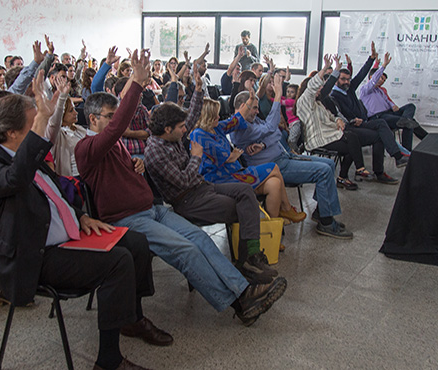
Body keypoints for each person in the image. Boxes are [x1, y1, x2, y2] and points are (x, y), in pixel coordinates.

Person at [76, 49, 287, 326]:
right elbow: (118, 129)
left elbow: (184, 122)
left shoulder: (116, 145)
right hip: (128, 219)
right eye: (110, 116)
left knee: (201, 240)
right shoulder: (87, 147)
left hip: (154, 209)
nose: (118, 122)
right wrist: (138, 82)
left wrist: (134, 167)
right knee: (186, 250)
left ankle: (245, 287)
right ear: (92, 120)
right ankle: (240, 301)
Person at [0, 76, 161, 370]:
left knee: (135, 241)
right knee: (118, 262)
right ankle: (108, 361)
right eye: (34, 123)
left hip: (65, 235)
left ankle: (132, 318)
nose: (41, 130)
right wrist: (45, 117)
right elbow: (14, 180)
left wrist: (81, 216)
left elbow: (57, 190)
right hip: (35, 255)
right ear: (11, 132)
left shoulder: (24, 154)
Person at [230, 74, 353, 239]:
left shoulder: (253, 120)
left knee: (329, 165)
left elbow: (276, 133)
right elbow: (272, 127)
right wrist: (278, 96)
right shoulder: (240, 127)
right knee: (323, 171)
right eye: (254, 108)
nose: (258, 111)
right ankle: (326, 222)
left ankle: (322, 211)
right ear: (243, 106)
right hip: (275, 166)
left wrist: (264, 144)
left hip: (284, 157)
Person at [190, 97, 307, 221]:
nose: (219, 117)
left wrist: (250, 99)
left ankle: (273, 228)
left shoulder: (216, 127)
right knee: (273, 167)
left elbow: (235, 119)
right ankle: (286, 209)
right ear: (207, 117)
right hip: (220, 179)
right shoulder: (198, 134)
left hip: (233, 173)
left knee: (274, 183)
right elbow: (226, 157)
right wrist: (232, 156)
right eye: (215, 116)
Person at [330, 42, 408, 177]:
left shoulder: (349, 88)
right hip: (351, 126)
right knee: (379, 135)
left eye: (348, 79)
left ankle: (396, 157)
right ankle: (386, 167)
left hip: (362, 122)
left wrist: (371, 59)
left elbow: (361, 75)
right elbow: (339, 114)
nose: (346, 82)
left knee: (382, 125)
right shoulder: (333, 95)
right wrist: (353, 120)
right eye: (343, 79)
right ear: (336, 80)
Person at [295, 55, 365, 191]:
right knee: (352, 140)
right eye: (319, 87)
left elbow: (331, 116)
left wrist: (338, 120)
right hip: (317, 139)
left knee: (353, 143)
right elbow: (312, 87)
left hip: (328, 134)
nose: (321, 89)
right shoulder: (304, 102)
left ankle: (344, 176)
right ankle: (358, 169)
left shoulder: (318, 103)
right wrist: (326, 68)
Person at [359, 53, 428, 151]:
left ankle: (405, 120)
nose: (382, 81)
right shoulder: (365, 90)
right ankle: (410, 149)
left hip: (389, 112)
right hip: (379, 117)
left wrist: (393, 105)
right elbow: (373, 80)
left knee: (410, 107)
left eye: (383, 80)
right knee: (409, 124)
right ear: (371, 77)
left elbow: (388, 101)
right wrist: (383, 66)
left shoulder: (381, 90)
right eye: (380, 78)